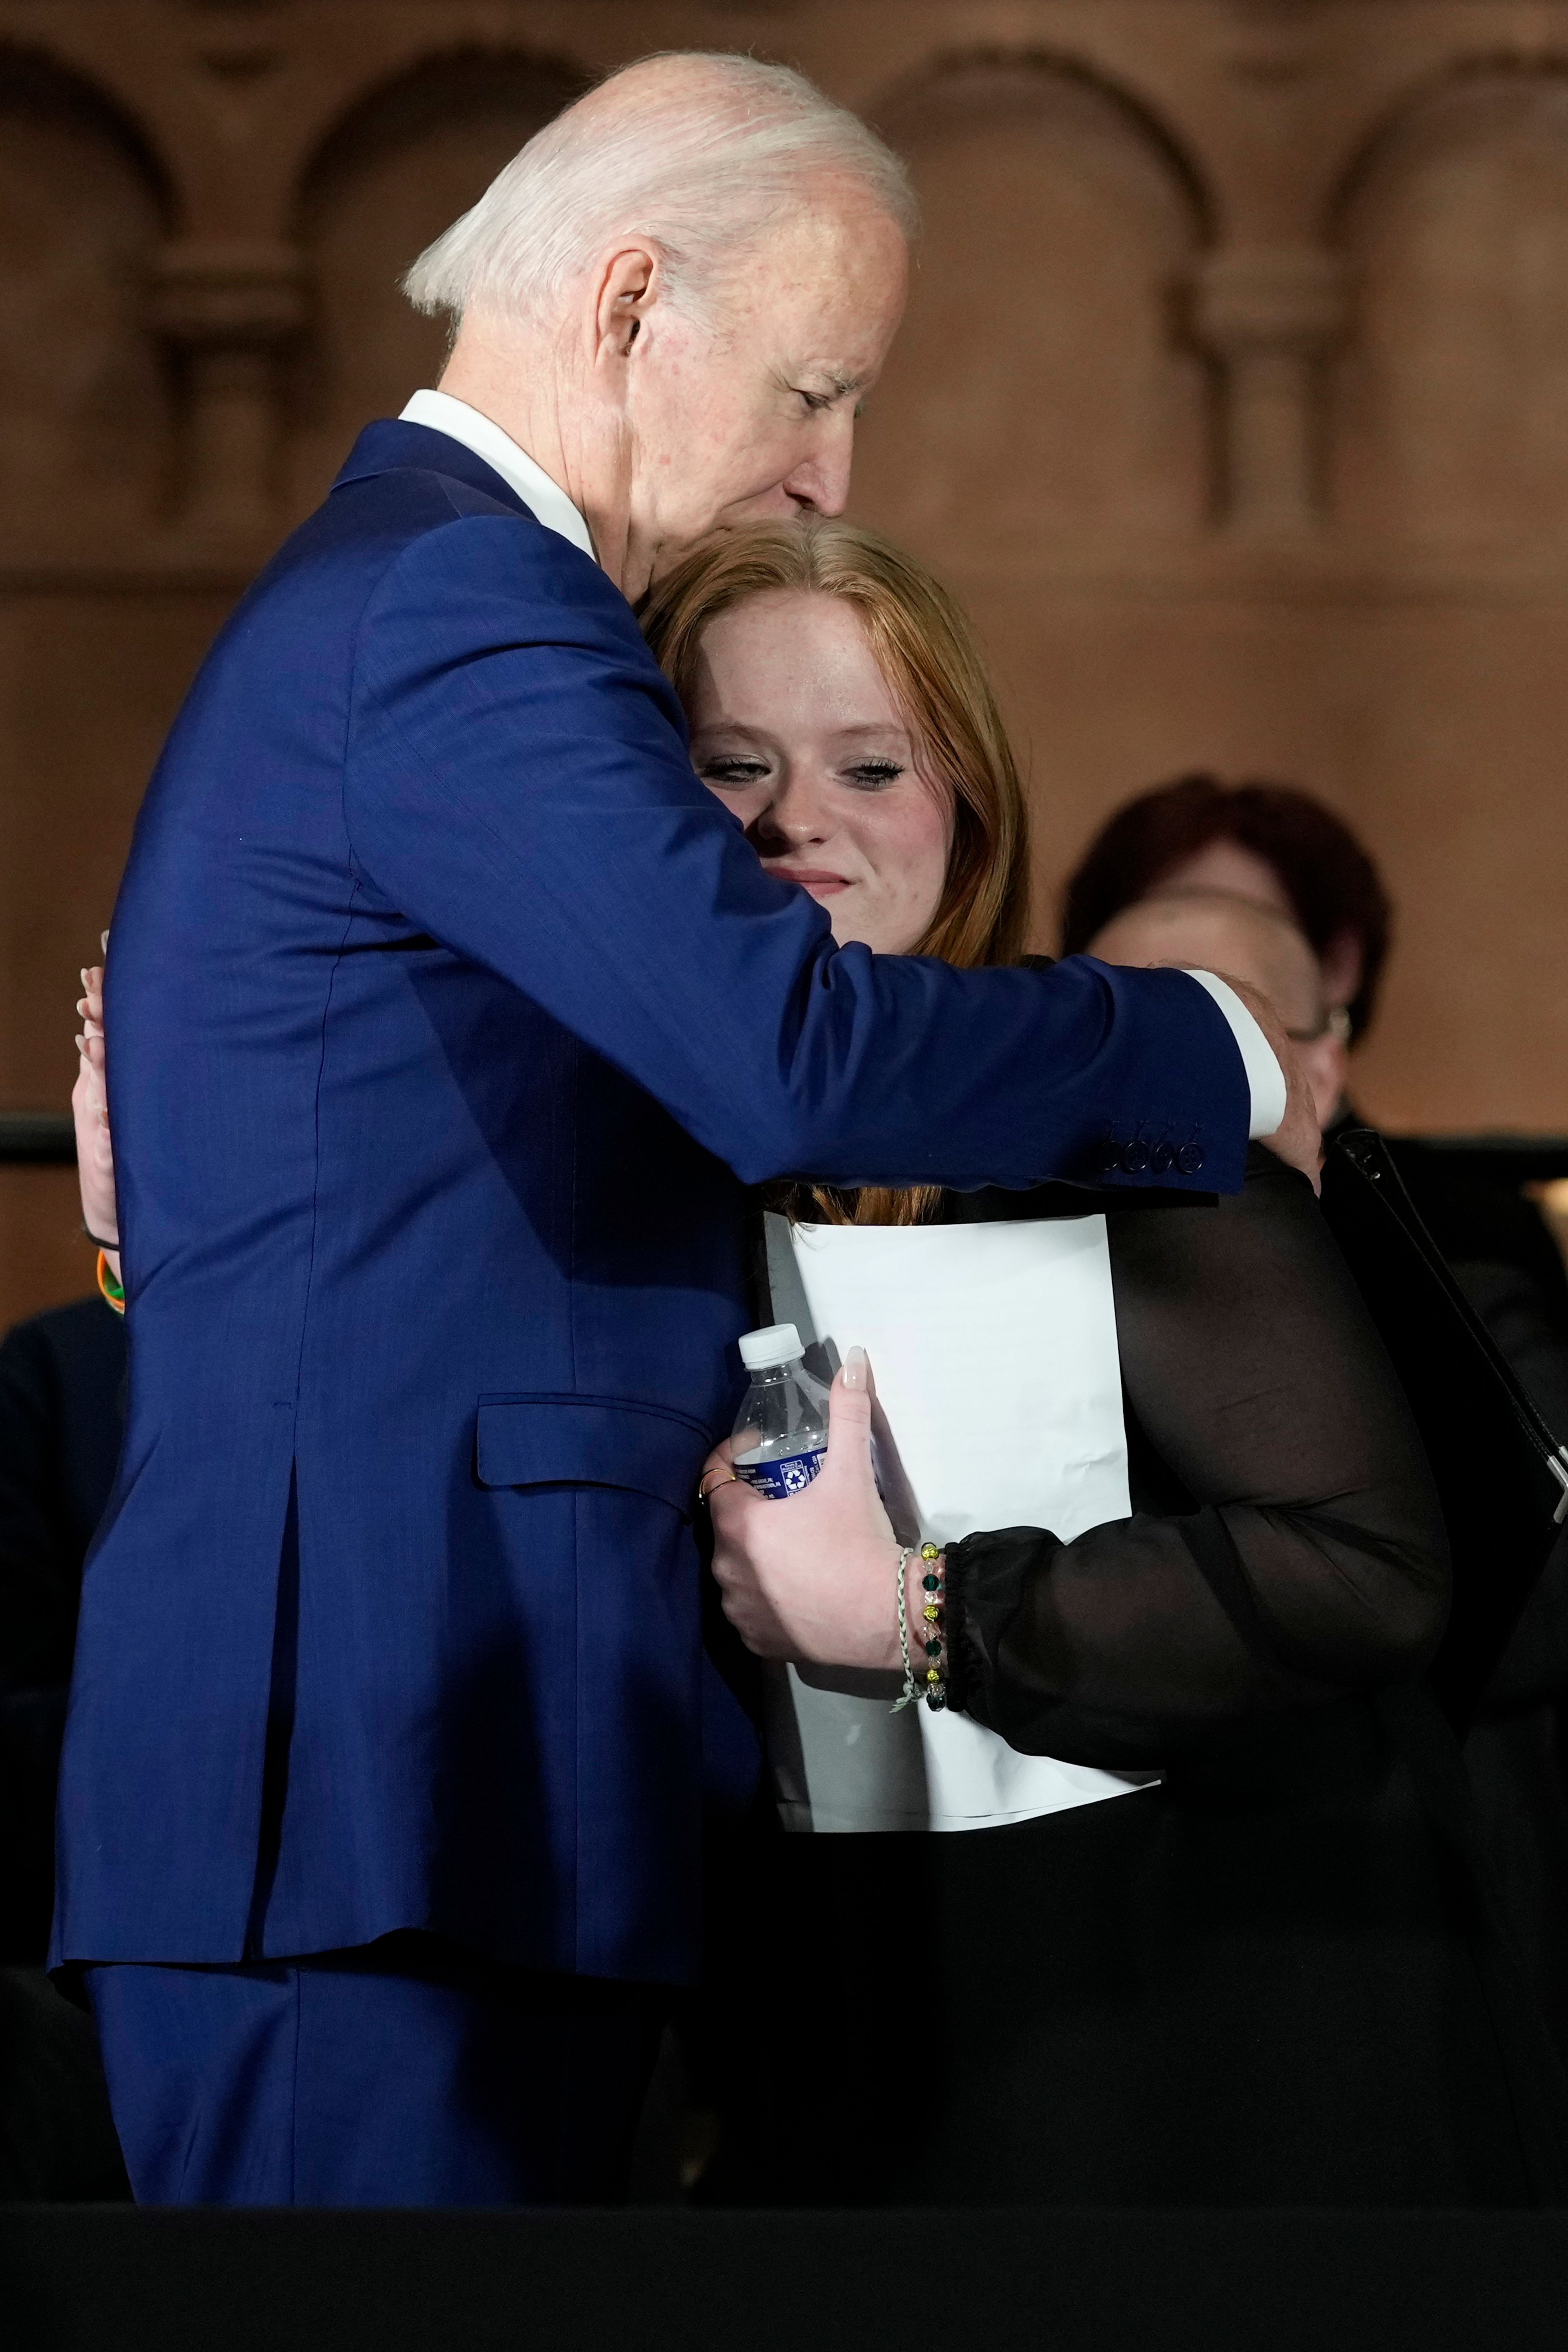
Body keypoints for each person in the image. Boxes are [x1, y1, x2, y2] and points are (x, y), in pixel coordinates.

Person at [51, 54, 1316, 2211]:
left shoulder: (414, 597)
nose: (833, 475)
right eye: (815, 389)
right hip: (381, 1795)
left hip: (434, 1798)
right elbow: (786, 1054)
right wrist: (1212, 1045)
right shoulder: (462, 606)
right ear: (633, 303)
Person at [666, 523, 1568, 2204]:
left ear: (973, 810)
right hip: (859, 2023)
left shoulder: (1100, 1096)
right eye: (730, 764)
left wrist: (918, 1611)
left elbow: (1370, 1572)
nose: (798, 817)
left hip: (1216, 2031)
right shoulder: (653, 1162)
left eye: (871, 763)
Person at [1060, 773, 1568, 2066]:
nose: (1164, 1079)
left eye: (1219, 1029)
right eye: (1114, 1026)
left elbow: (1525, 1616)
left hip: (1365, 1930)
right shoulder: (976, 1285)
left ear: (1327, 1059)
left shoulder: (1470, 1302)